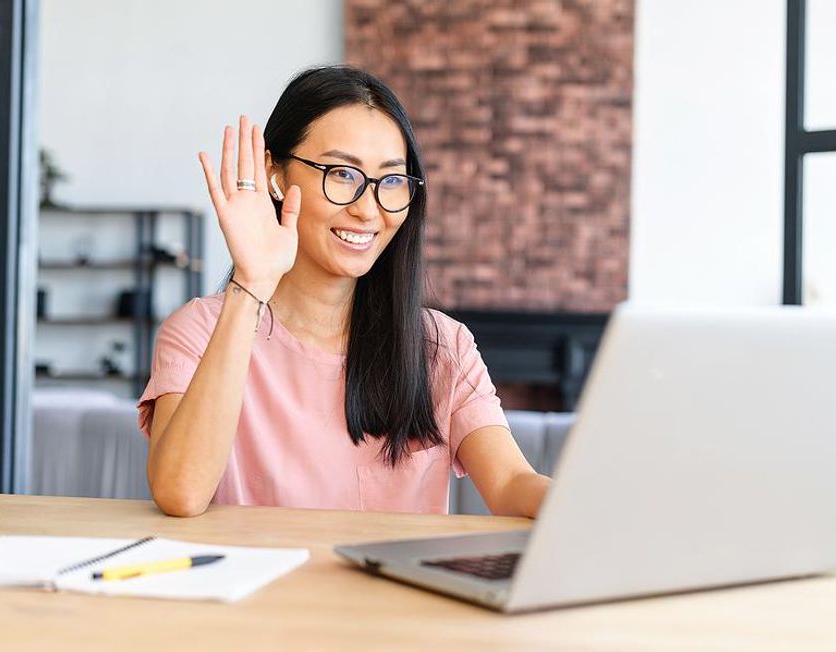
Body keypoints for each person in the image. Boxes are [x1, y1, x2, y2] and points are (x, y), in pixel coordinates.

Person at [137, 65, 551, 518]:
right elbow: (180, 493)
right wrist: (251, 284)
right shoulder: (199, 332)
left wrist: (589, 505)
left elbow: (511, 481)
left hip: (388, 592)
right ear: (275, 174)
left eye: (391, 180)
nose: (368, 209)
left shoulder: (440, 347)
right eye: (341, 174)